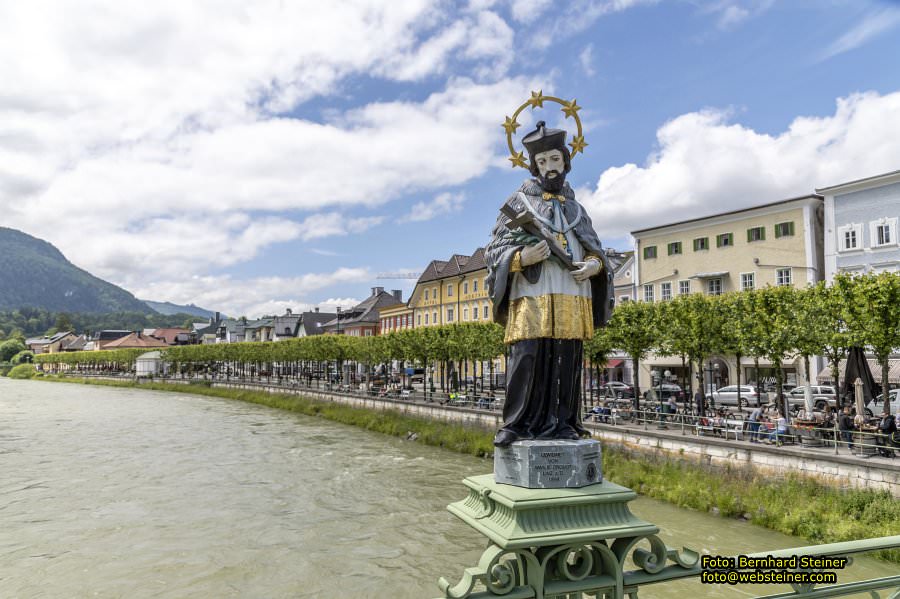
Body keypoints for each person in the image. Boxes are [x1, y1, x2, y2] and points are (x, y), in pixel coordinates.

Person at [486, 121, 613, 447]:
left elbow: (595, 248)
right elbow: (495, 250)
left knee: (565, 359)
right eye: (542, 162)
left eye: (555, 160)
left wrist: (593, 265)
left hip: (573, 292)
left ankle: (563, 423)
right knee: (527, 357)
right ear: (534, 166)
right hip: (533, 293)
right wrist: (521, 257)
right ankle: (516, 424)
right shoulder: (518, 204)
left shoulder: (576, 208)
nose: (549, 168)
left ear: (565, 162)